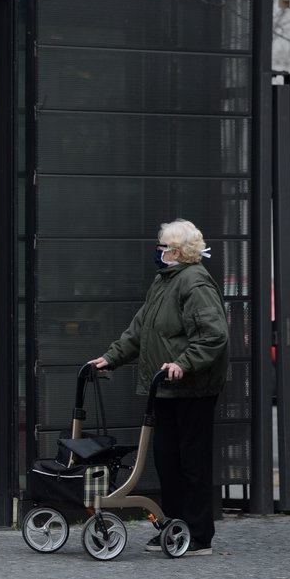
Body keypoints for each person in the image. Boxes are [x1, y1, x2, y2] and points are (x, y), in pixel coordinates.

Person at [88, 218, 229, 557]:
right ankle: (175, 528)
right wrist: (110, 358)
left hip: (192, 389)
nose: (158, 251)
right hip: (164, 388)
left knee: (192, 462)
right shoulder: (163, 282)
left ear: (176, 252)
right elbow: (140, 330)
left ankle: (198, 536)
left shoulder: (194, 284)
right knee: (167, 461)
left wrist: (183, 363)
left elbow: (215, 335)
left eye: (162, 247)